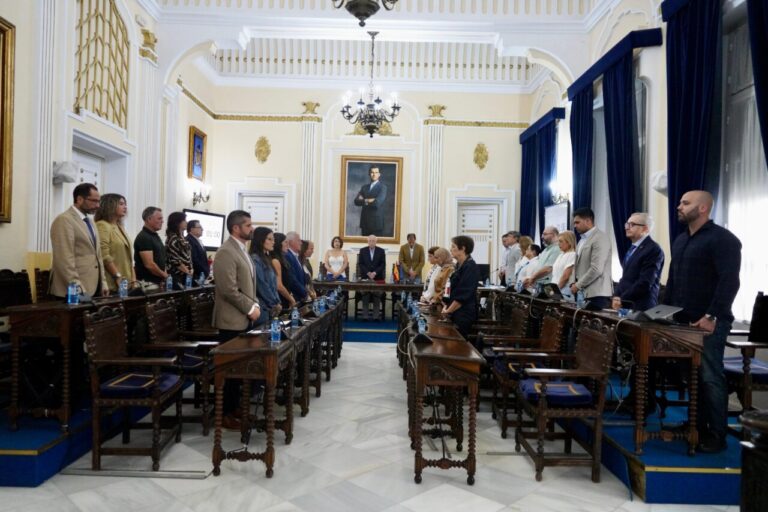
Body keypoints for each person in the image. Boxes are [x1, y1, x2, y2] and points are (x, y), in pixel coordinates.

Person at [665, 190, 741, 453]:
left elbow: (729, 281)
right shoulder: (681, 240)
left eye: (686, 203)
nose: (679, 206)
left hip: (710, 322)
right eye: (681, 202)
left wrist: (712, 316)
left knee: (710, 377)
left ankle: (716, 435)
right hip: (683, 321)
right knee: (691, 377)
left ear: (703, 208)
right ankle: (694, 425)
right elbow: (674, 280)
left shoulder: (724, 240)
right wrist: (664, 312)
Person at [213, 210, 261, 430]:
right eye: (248, 225)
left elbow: (249, 283)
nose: (252, 228)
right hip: (230, 320)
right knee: (229, 371)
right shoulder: (225, 251)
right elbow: (228, 289)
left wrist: (256, 304)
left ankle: (235, 409)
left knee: (238, 370)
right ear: (236, 228)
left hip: (243, 317)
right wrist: (250, 307)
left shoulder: (242, 250)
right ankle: (223, 414)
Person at [49, 183, 108, 298]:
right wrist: (77, 287)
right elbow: (64, 258)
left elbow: (98, 255)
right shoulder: (64, 220)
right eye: (94, 201)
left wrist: (103, 283)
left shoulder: (90, 222)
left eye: (98, 201)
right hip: (73, 291)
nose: (97, 205)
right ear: (79, 199)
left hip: (93, 287)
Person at [612, 212, 664, 312]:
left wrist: (621, 298)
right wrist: (616, 296)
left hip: (641, 307)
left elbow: (645, 282)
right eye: (627, 224)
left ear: (645, 228)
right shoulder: (632, 248)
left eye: (632, 224)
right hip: (626, 304)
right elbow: (626, 278)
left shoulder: (653, 249)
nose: (627, 227)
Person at [569, 208, 613, 310]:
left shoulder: (600, 238)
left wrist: (578, 285)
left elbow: (596, 269)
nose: (575, 226)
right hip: (582, 292)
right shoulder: (581, 240)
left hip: (597, 293)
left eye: (577, 222)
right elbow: (576, 265)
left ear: (588, 221)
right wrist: (572, 282)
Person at [94, 193, 135, 293]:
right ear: (109, 205)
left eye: (125, 204)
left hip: (126, 281)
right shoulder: (102, 225)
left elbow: (129, 258)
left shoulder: (119, 226)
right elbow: (104, 256)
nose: (125, 207)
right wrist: (117, 275)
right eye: (121, 204)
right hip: (112, 281)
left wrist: (133, 279)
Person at [441, 235, 480, 338]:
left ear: (463, 248)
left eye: (453, 246)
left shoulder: (470, 267)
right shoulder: (459, 265)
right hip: (454, 311)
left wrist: (448, 311)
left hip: (463, 314)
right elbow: (451, 289)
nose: (450, 249)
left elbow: (463, 295)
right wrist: (446, 306)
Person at [249, 227, 281, 324]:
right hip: (262, 307)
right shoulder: (255, 259)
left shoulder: (266, 258)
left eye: (273, 239)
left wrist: (278, 301)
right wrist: (275, 303)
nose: (273, 242)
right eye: (269, 239)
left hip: (270, 307)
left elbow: (273, 284)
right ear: (260, 240)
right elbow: (261, 285)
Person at [134, 206, 169, 284]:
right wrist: (165, 276)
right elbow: (149, 264)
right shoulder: (144, 237)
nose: (162, 221)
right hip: (147, 283)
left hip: (157, 281)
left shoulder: (155, 235)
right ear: (149, 219)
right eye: (159, 219)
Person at [353, 165, 388, 236]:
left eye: (376, 172)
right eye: (372, 172)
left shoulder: (383, 187)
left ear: (379, 174)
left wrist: (363, 200)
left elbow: (377, 203)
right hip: (365, 222)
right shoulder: (364, 187)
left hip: (376, 223)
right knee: (364, 246)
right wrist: (368, 200)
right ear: (369, 174)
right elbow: (356, 201)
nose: (374, 174)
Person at [358, 234, 386, 320]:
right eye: (370, 241)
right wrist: (368, 273)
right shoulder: (362, 250)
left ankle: (376, 316)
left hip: (377, 278)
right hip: (365, 277)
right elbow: (361, 264)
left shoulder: (381, 251)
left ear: (376, 242)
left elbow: (383, 264)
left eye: (373, 241)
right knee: (365, 294)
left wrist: (375, 273)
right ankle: (365, 316)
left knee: (377, 294)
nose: (371, 242)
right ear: (368, 241)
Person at [165, 211, 193, 288]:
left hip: (186, 275)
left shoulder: (183, 238)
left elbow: (188, 256)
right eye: (184, 220)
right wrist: (187, 271)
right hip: (177, 276)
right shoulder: (173, 238)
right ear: (177, 223)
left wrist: (191, 269)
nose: (186, 223)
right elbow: (175, 261)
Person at [271, 232, 297, 309]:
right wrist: (291, 299)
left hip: (285, 297)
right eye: (285, 242)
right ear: (279, 243)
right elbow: (279, 285)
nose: (287, 245)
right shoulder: (275, 261)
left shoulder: (283, 259)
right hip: (280, 298)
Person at [550, 231, 577, 300]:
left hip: (564, 290)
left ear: (569, 242)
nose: (559, 244)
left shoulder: (572, 255)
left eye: (561, 241)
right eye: (558, 241)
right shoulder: (560, 255)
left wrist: (556, 290)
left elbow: (565, 276)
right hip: (555, 290)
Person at [284, 231, 308, 302]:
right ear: (291, 242)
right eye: (298, 240)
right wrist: (304, 293)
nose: (301, 243)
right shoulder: (288, 256)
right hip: (294, 297)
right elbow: (292, 279)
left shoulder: (295, 256)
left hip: (299, 296)